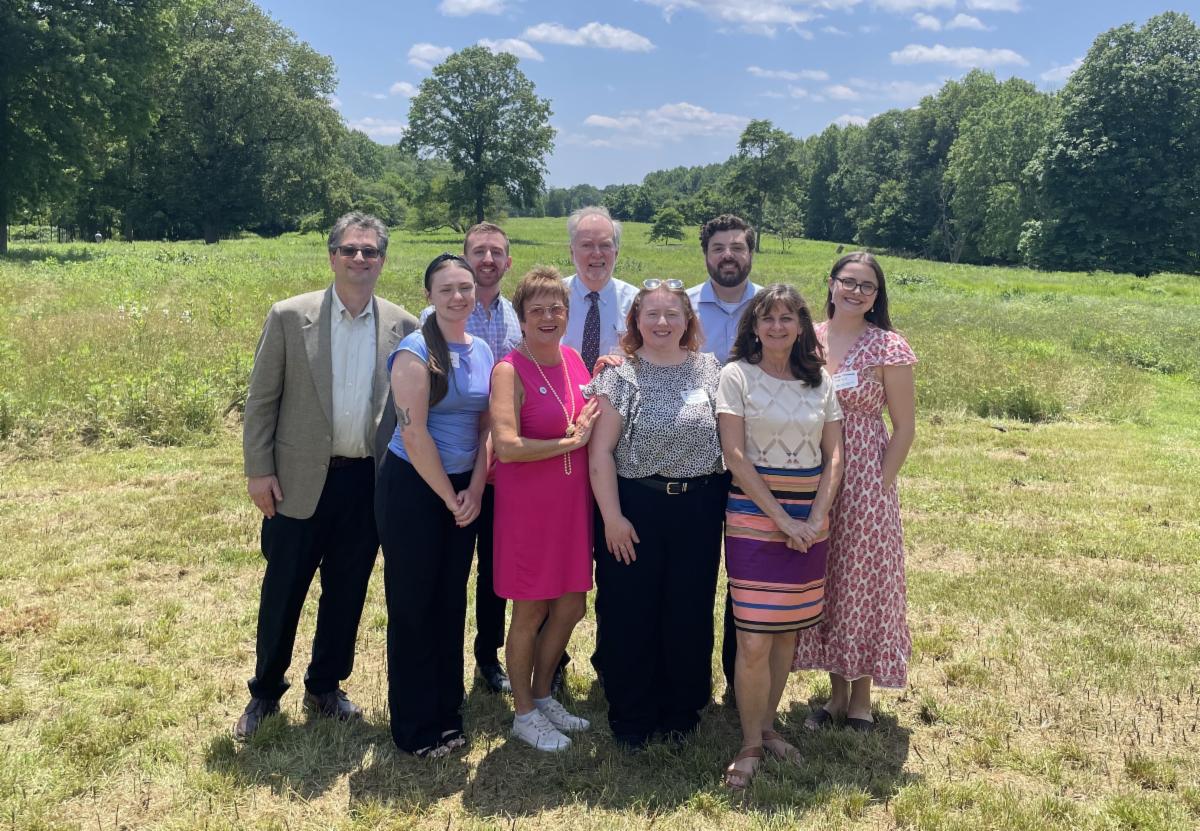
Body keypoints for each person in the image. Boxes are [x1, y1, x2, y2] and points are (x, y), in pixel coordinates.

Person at [236, 212, 418, 740]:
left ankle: (325, 686)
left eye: (370, 251)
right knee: (284, 589)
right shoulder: (291, 317)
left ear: (383, 260)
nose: (359, 259)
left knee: (347, 591)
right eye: (349, 250)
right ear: (331, 255)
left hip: (366, 484)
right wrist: (258, 471)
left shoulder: (403, 326)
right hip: (296, 481)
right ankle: (265, 692)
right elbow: (261, 402)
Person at [586, 279, 725, 750]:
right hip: (636, 505)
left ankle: (682, 710)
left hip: (700, 506)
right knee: (631, 610)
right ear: (635, 321)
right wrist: (612, 517)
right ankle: (632, 714)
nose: (662, 323)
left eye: (672, 314)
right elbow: (600, 453)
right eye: (652, 315)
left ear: (688, 321)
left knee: (688, 606)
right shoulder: (619, 375)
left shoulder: (709, 369)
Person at [716, 285, 843, 789]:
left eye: (787, 318)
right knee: (751, 638)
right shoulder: (736, 377)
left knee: (786, 633)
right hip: (753, 518)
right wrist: (783, 521)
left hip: (811, 522)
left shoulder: (821, 383)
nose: (776, 327)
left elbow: (834, 456)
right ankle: (748, 743)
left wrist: (813, 518)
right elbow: (735, 456)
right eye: (767, 319)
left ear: (801, 326)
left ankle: (768, 728)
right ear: (753, 326)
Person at [794, 252, 917, 733]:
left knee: (864, 582)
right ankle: (833, 693)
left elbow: (905, 427)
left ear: (876, 295)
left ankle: (861, 697)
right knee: (827, 578)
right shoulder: (810, 340)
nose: (856, 292)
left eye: (867, 286)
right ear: (831, 284)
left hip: (866, 473)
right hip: (812, 469)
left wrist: (880, 484)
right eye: (848, 282)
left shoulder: (889, 346)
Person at [377, 253, 493, 758]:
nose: (458, 296)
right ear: (429, 295)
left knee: (450, 602)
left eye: (465, 287)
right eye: (446, 288)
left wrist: (477, 490)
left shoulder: (483, 348)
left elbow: (487, 428)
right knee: (413, 605)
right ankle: (414, 726)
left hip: (466, 489)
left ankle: (448, 713)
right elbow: (413, 429)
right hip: (415, 488)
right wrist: (450, 497)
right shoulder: (414, 351)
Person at [490, 266, 600, 751]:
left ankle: (542, 693)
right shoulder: (509, 369)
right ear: (522, 318)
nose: (548, 316)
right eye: (537, 309)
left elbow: (588, 409)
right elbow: (508, 446)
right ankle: (523, 713)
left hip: (572, 506)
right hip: (529, 509)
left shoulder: (575, 359)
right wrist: (567, 442)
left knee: (573, 604)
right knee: (530, 609)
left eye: (556, 307)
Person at [415, 222, 522, 695]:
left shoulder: (513, 316)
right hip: (450, 464)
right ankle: (441, 664)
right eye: (478, 251)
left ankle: (488, 658)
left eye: (496, 252)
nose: (487, 259)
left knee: (495, 569)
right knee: (449, 569)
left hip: (502, 465)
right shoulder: (434, 319)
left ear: (507, 262)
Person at [687, 213, 763, 704]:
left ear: (751, 252)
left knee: (747, 578)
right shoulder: (683, 307)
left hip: (756, 461)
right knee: (694, 575)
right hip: (694, 460)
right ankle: (689, 679)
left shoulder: (773, 308)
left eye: (737, 247)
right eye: (719, 248)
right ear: (706, 255)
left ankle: (742, 684)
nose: (728, 255)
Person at [561, 206, 639, 373]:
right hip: (562, 393)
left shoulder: (637, 302)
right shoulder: (553, 296)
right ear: (571, 251)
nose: (597, 253)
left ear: (616, 252)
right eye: (587, 245)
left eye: (605, 245)